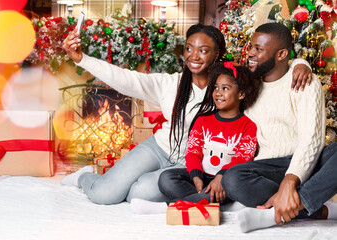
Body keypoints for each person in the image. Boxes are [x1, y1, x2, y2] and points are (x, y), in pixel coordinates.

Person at [60, 23, 312, 205]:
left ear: (217, 54)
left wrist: (302, 62)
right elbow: (126, 79)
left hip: (190, 164)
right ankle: (86, 178)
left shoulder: (229, 86)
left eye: (203, 50)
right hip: (158, 148)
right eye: (189, 48)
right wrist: (81, 59)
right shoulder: (170, 83)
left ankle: (130, 184)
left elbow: (272, 63)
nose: (194, 55)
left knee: (140, 194)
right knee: (104, 195)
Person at [219, 22, 337, 233]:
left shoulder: (303, 82)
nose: (250, 53)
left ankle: (283, 208)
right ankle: (317, 209)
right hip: (268, 168)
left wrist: (290, 181)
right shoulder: (248, 83)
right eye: (251, 46)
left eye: (259, 49)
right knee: (233, 178)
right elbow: (217, 85)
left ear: (282, 54)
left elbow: (312, 139)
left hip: (306, 163)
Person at [131, 62, 261, 214]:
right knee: (166, 178)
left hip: (226, 181)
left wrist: (221, 177)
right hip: (202, 177)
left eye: (225, 88)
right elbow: (193, 151)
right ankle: (211, 202)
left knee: (230, 187)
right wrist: (195, 175)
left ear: (241, 94)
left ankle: (167, 207)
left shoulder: (248, 125)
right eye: (216, 87)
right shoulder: (203, 120)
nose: (218, 92)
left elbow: (242, 158)